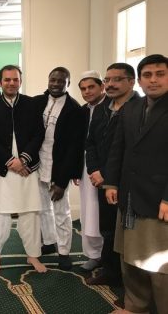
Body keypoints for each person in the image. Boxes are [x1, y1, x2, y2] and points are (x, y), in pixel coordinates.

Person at [104, 54, 168, 314]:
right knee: (130, 257)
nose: (153, 80)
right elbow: (118, 149)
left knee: (159, 264)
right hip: (130, 196)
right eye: (148, 75)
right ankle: (135, 307)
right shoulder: (131, 108)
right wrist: (111, 184)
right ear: (139, 81)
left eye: (160, 74)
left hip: (158, 201)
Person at [0, 65, 47, 274]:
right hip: (2, 169)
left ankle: (33, 256)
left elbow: (39, 134)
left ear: (20, 81)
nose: (11, 83)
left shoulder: (31, 104)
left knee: (30, 213)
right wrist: (11, 161)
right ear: (0, 82)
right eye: (7, 79)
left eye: (15, 79)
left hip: (27, 169)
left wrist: (24, 160)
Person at [85, 63, 139, 286]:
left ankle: (131, 280)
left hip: (127, 181)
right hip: (102, 181)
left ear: (131, 81)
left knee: (128, 231)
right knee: (107, 228)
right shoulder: (101, 107)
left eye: (117, 79)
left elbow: (131, 150)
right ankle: (110, 271)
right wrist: (95, 170)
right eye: (107, 80)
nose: (110, 84)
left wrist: (109, 176)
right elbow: (91, 143)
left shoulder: (140, 108)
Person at [34, 67, 85, 270]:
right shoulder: (39, 102)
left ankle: (64, 251)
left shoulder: (74, 109)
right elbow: (16, 108)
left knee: (61, 212)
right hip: (38, 166)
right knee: (43, 209)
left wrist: (62, 181)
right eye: (53, 79)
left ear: (68, 83)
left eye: (61, 81)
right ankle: (48, 242)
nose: (56, 84)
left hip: (59, 169)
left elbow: (75, 148)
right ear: (48, 80)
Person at [76, 71, 106, 271]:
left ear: (101, 86)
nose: (87, 92)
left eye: (91, 87)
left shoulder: (110, 108)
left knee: (103, 213)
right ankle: (93, 254)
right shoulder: (83, 110)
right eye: (83, 89)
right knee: (88, 211)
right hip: (86, 168)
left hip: (105, 169)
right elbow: (79, 142)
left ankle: (107, 256)